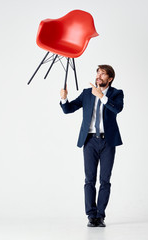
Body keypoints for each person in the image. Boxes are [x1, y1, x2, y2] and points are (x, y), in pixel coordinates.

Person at [60, 65, 124, 227]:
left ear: (110, 79)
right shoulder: (87, 93)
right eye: (98, 73)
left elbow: (117, 109)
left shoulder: (117, 93)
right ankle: (91, 215)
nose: (98, 76)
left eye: (103, 74)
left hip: (108, 141)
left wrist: (101, 96)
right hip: (89, 141)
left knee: (105, 180)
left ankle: (100, 216)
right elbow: (68, 109)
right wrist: (64, 99)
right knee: (89, 180)